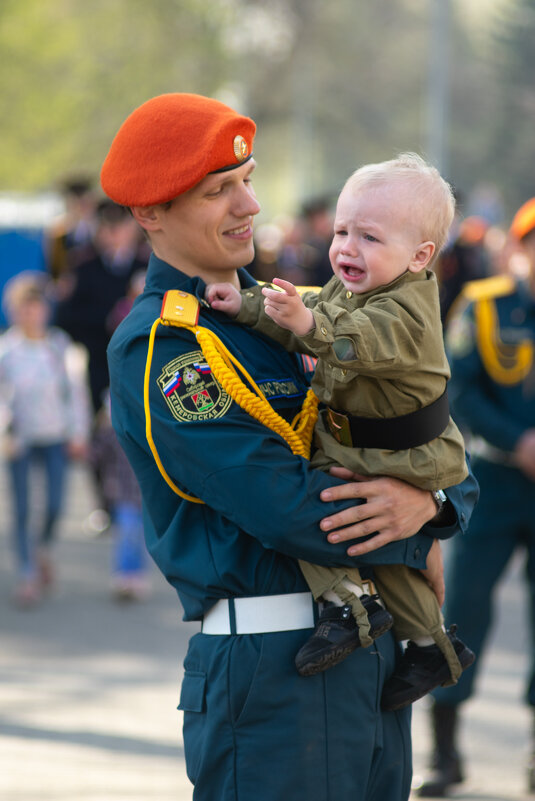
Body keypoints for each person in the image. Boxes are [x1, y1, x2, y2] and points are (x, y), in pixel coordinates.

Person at [100, 92, 478, 801]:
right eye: (219, 190)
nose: (248, 204)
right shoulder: (167, 346)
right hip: (276, 673)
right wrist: (419, 525)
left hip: (369, 660)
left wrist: (432, 502)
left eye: (247, 179)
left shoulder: (299, 308)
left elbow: (425, 420)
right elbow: (287, 508)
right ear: (149, 213)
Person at [205, 153, 474, 709]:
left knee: (333, 508)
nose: (348, 248)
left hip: (403, 452)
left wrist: (307, 323)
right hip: (367, 445)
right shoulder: (350, 288)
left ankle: (348, 609)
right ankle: (428, 643)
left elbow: (360, 339)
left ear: (420, 255)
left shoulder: (408, 307)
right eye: (341, 231)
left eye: (370, 237)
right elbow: (306, 308)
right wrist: (252, 306)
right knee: (388, 548)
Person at [417, 197, 535, 797]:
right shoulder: (484, 307)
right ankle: (445, 749)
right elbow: (456, 390)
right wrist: (519, 441)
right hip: (493, 480)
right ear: (520, 247)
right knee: (462, 607)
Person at [0, 272, 91, 606]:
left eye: (35, 308)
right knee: (22, 508)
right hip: (20, 440)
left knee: (54, 505)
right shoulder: (6, 351)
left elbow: (75, 393)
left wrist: (78, 433)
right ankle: (27, 574)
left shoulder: (59, 346)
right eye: (23, 309)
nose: (30, 315)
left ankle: (42, 549)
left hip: (55, 436)